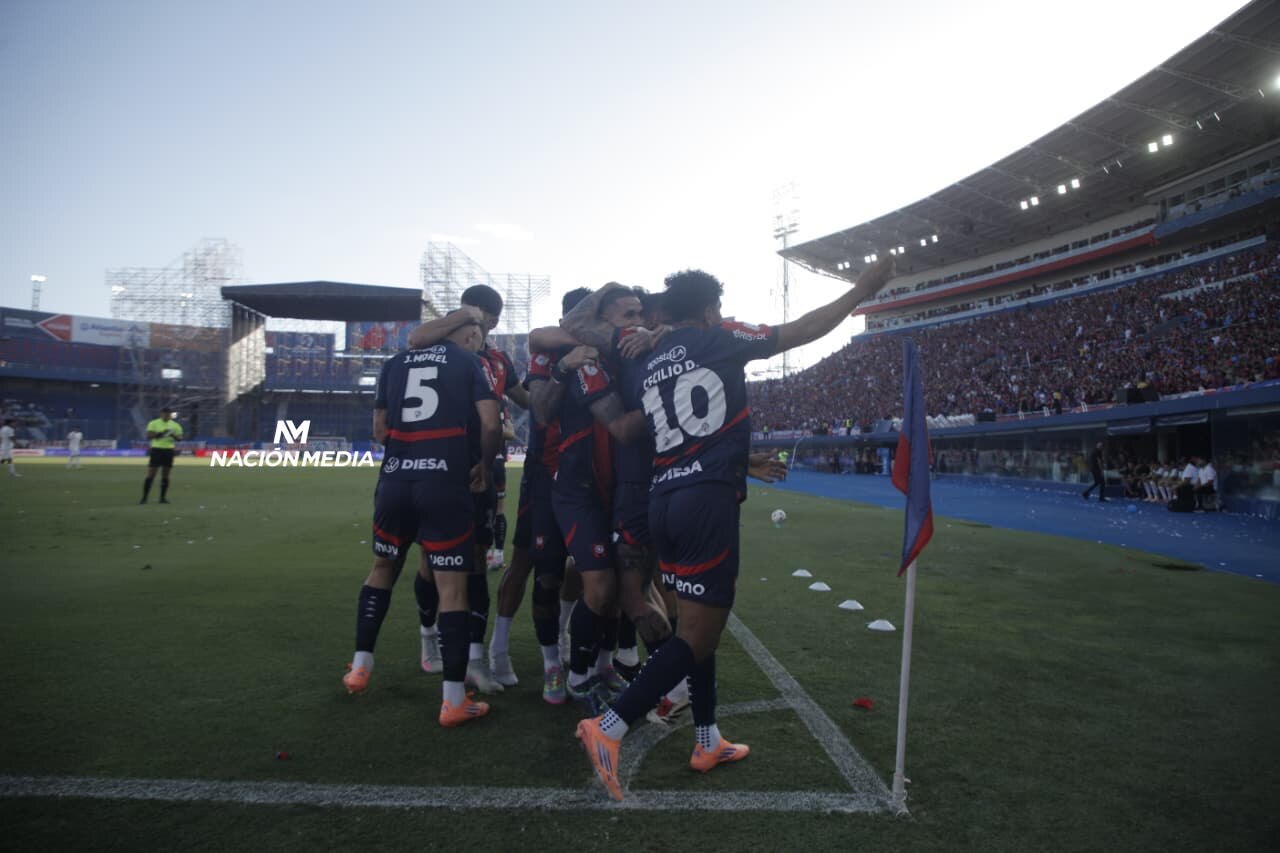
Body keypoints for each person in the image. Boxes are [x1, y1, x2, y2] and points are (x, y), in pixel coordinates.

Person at [575, 256, 896, 801]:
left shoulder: (647, 356)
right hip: (705, 502)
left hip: (663, 498)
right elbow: (802, 330)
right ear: (707, 311)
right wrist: (861, 290)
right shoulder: (717, 335)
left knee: (697, 626)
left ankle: (708, 738)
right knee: (698, 633)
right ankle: (608, 727)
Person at [341, 314, 501, 728]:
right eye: (476, 337)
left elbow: (380, 429)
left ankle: (360, 667)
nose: (478, 343)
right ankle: (452, 701)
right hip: (445, 481)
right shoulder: (468, 362)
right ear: (464, 335)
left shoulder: (394, 364)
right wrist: (483, 464)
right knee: (453, 590)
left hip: (395, 480)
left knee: (381, 570)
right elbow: (490, 422)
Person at [407, 285, 531, 693]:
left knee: (475, 559)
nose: (474, 326)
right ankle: (430, 639)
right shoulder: (435, 346)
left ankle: (474, 657)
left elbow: (524, 398)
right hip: (438, 463)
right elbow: (415, 338)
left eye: (480, 319)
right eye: (467, 316)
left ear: (492, 321)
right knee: (433, 560)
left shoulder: (497, 359)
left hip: (483, 465)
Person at [141, 410, 183, 503]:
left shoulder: (175, 425)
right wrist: (160, 434)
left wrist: (172, 435)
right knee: (151, 474)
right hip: (157, 449)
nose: (167, 416)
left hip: (169, 450)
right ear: (161, 414)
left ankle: (162, 498)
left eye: (168, 414)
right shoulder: (154, 423)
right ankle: (144, 498)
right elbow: (149, 436)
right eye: (165, 414)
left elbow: (180, 438)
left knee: (166, 475)